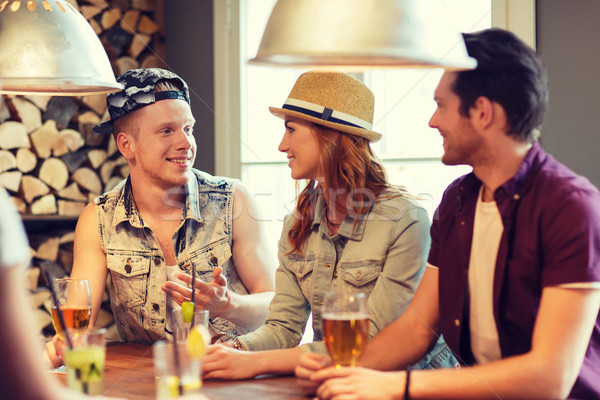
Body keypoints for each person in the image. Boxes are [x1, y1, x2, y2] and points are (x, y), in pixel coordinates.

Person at [296, 28, 600, 400]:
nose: (432, 121)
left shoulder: (571, 207)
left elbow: (550, 378)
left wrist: (399, 386)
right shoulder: (456, 202)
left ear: (483, 113)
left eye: (441, 105)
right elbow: (416, 329)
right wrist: (343, 372)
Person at [201, 71, 457, 380]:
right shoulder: (298, 223)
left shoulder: (405, 221)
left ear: (332, 136)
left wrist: (255, 363)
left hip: (409, 384)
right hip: (335, 381)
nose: (282, 145)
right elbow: (283, 327)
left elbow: (372, 340)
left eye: (291, 129)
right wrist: (235, 349)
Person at [45, 68, 276, 367]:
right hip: (145, 382)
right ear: (127, 145)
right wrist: (62, 347)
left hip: (234, 377)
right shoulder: (98, 219)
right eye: (167, 131)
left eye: (188, 129)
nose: (186, 143)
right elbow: (78, 322)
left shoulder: (234, 200)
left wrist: (228, 304)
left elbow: (275, 304)